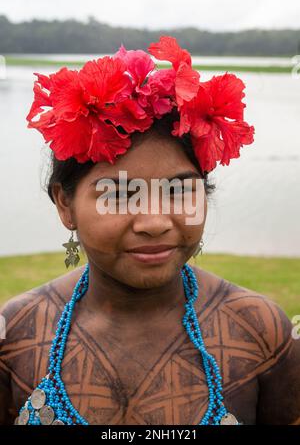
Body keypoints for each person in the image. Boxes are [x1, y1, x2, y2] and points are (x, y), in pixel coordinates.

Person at [0, 37, 299, 426]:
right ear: (65, 204)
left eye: (178, 191)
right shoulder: (16, 333)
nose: (155, 222)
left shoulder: (262, 331)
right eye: (121, 195)